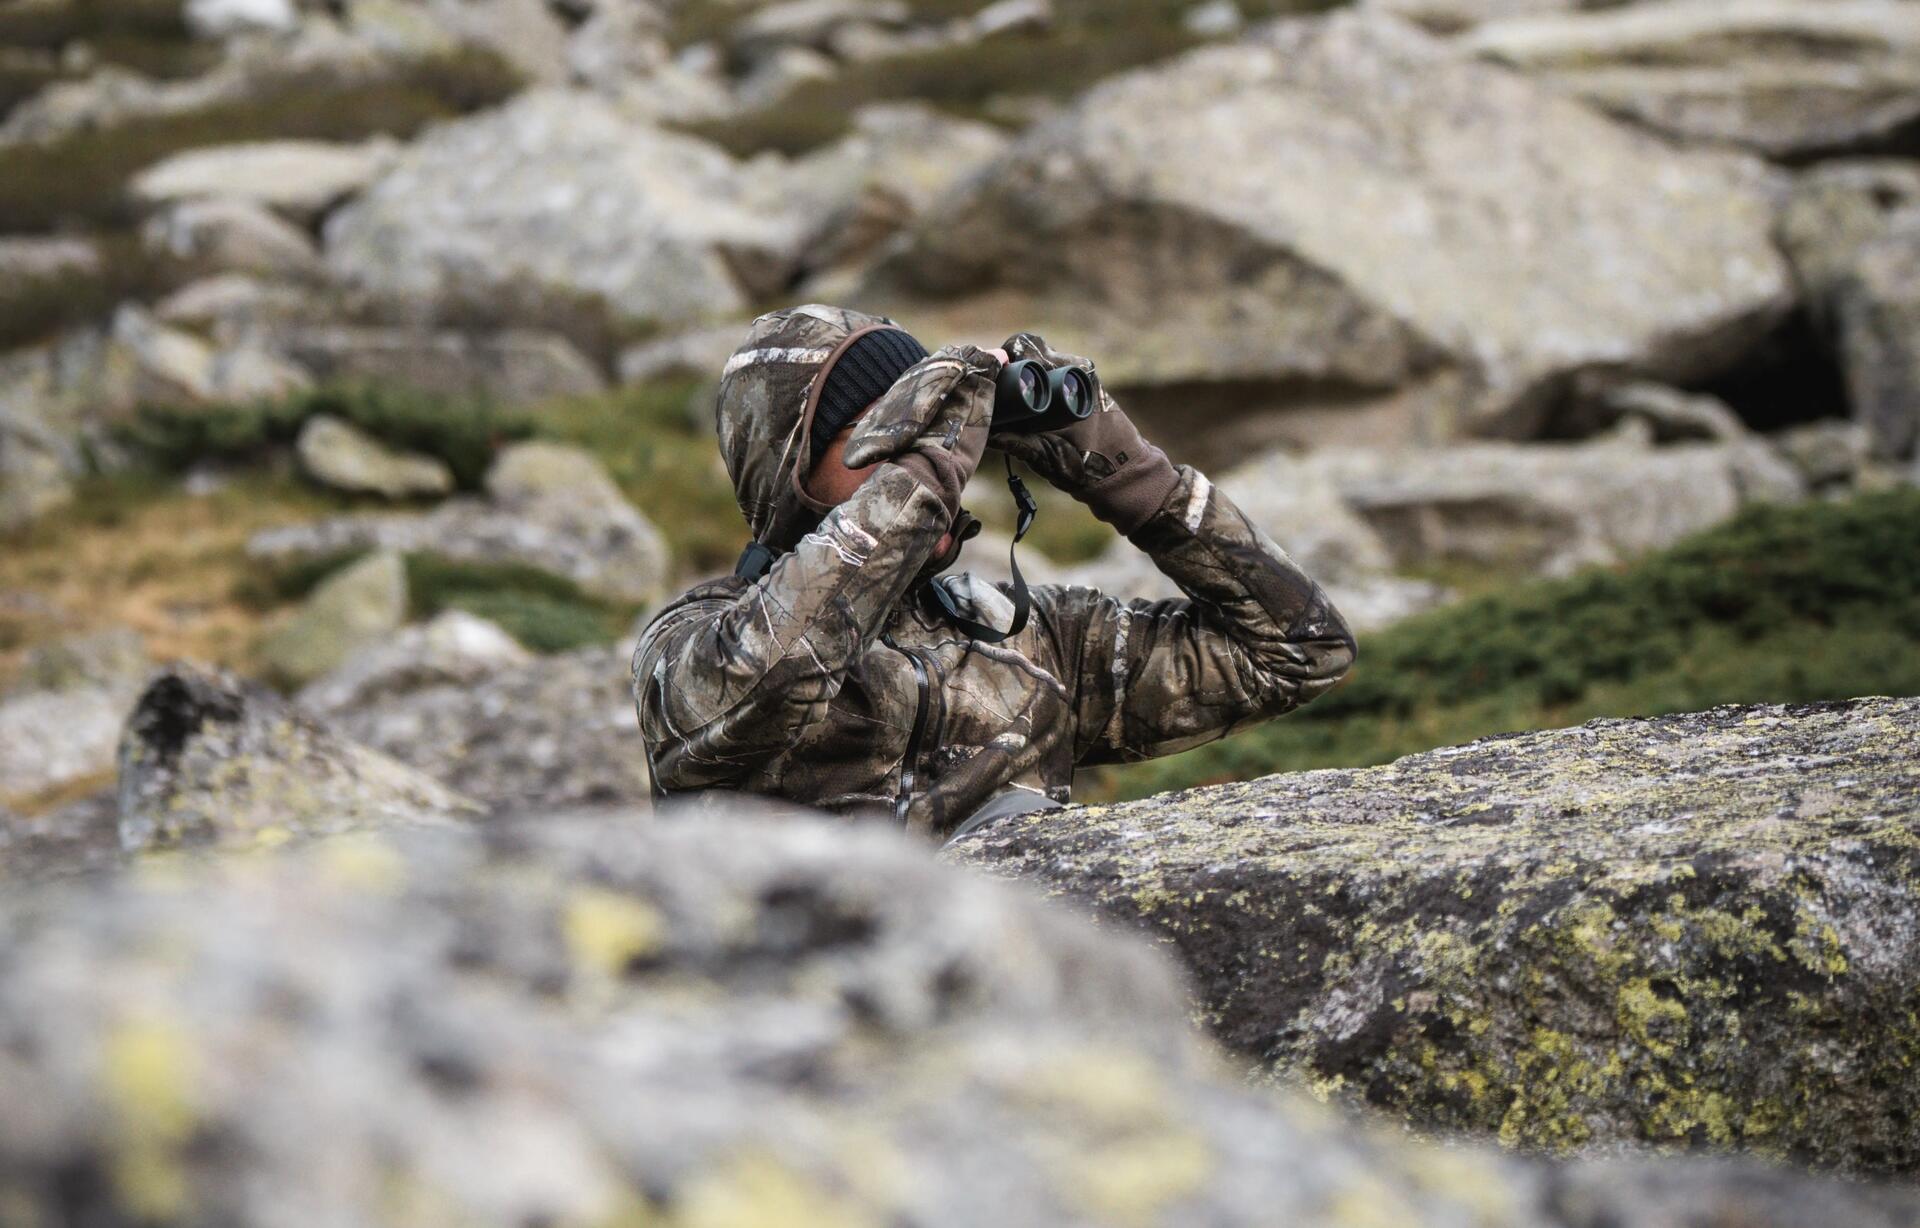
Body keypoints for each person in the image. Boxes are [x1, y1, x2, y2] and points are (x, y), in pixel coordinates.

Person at [632, 304, 1355, 841]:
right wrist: (924, 471)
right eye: (885, 431)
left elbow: (1299, 650)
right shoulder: (691, 645)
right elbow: (777, 669)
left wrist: (1136, 478)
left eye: (939, 430)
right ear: (788, 469)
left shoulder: (1032, 640)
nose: (934, 453)